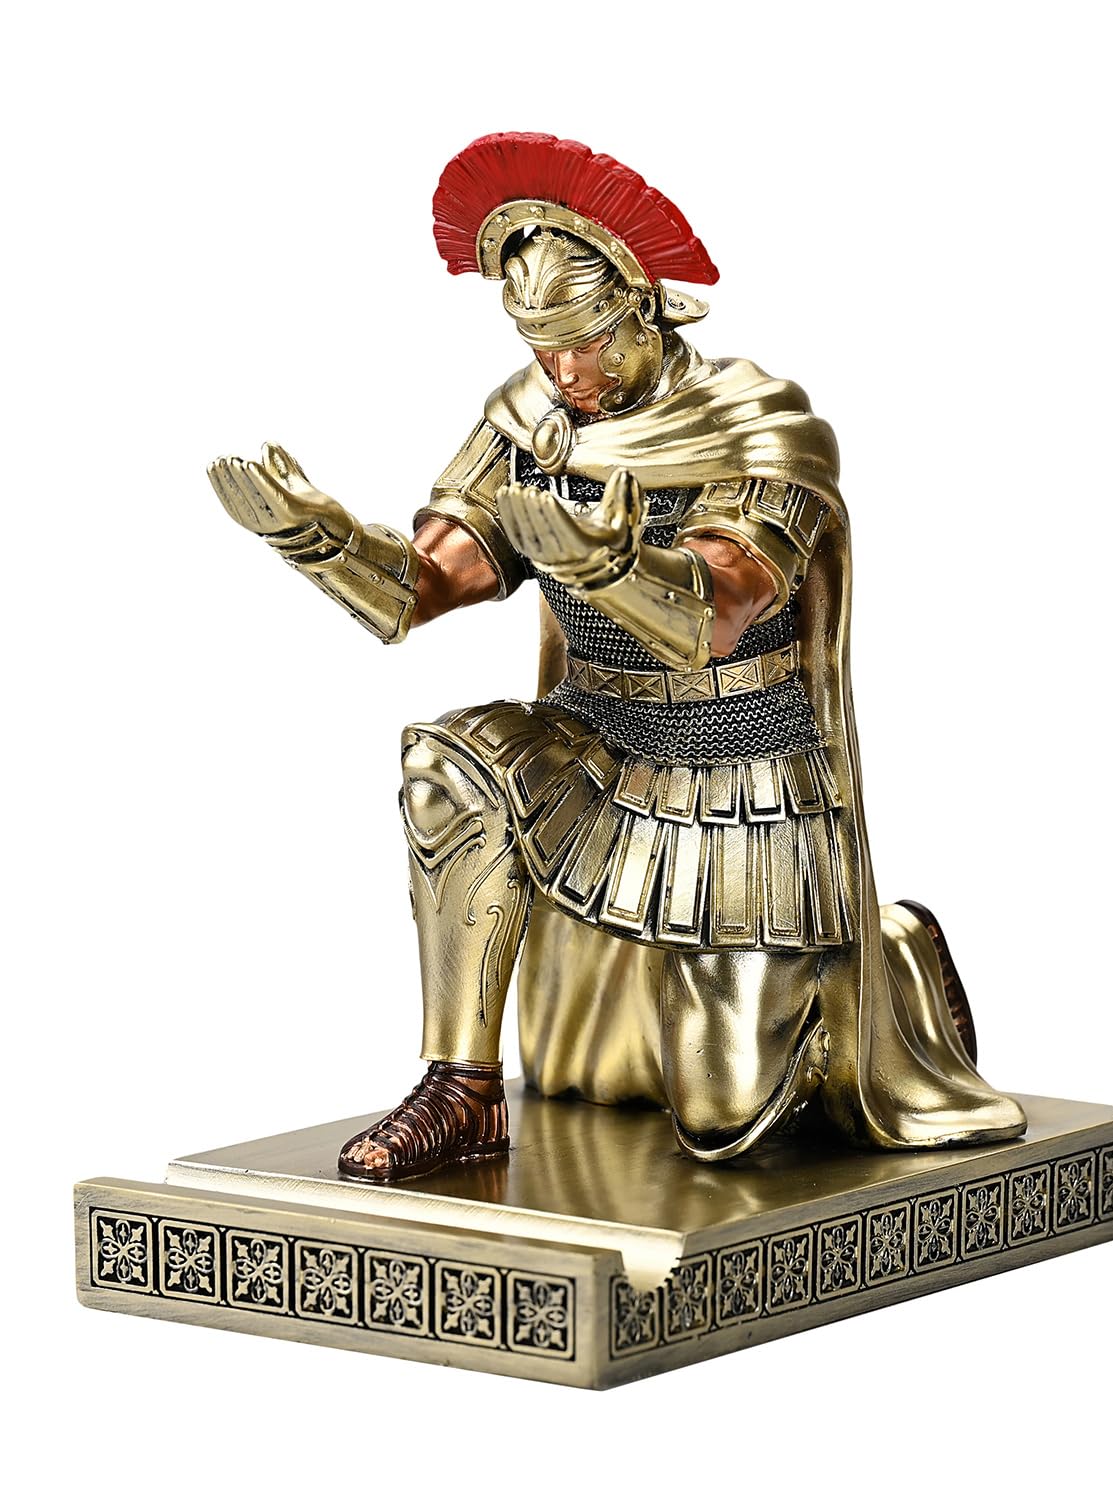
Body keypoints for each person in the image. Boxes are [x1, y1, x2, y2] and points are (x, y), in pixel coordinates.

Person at [208, 132, 1025, 1181]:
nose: (568, 373)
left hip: (745, 777)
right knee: (447, 768)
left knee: (730, 1122)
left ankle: (891, 955)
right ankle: (461, 1090)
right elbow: (424, 585)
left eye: (588, 343)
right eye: (543, 346)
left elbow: (722, 609)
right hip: (599, 745)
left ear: (644, 306)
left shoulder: (756, 427)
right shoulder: (530, 420)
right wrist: (317, 540)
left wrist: (609, 567)